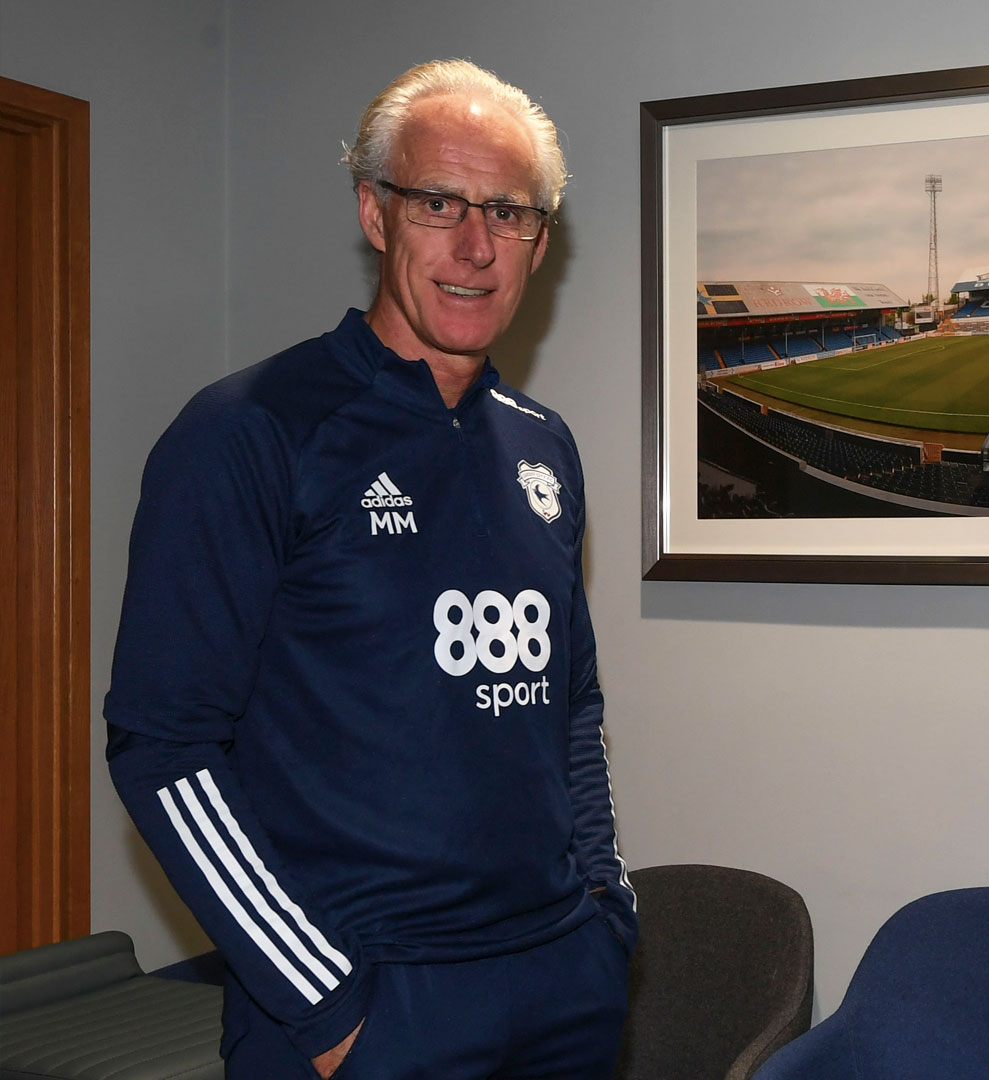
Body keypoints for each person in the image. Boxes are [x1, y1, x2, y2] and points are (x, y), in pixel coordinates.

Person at [104, 60, 635, 1078]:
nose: (476, 247)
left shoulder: (544, 447)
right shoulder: (250, 433)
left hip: (565, 990)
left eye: (510, 212)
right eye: (439, 201)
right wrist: (330, 1006)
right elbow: (161, 748)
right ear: (375, 212)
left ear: (539, 240)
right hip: (369, 1012)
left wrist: (605, 912)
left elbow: (573, 705)